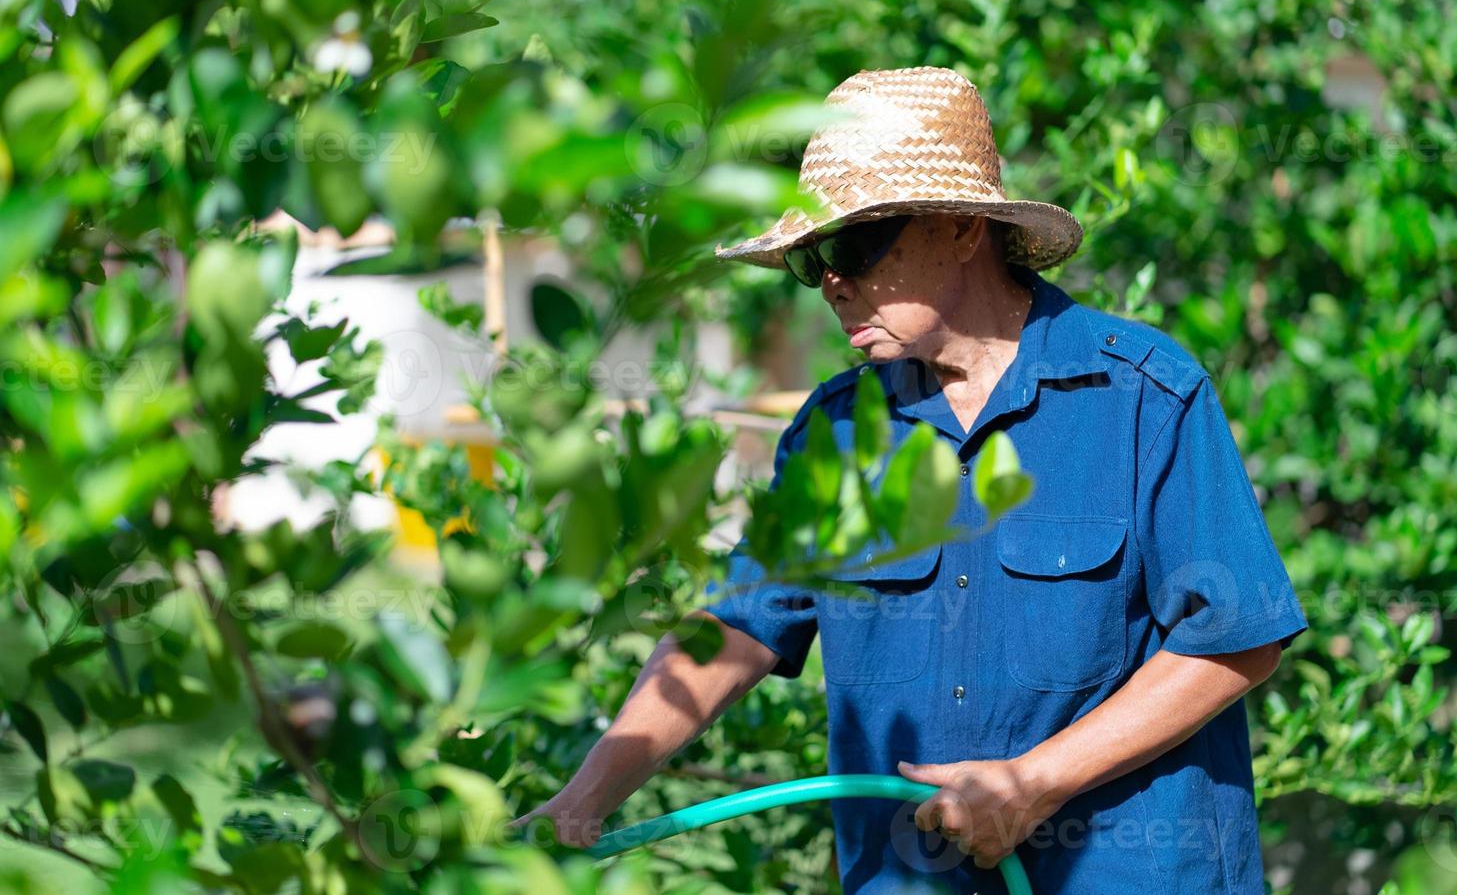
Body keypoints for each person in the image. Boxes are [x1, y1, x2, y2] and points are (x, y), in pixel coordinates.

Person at [510, 66, 1309, 893]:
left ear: (961, 228)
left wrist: (1035, 784)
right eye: (815, 255)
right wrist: (579, 803)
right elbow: (733, 632)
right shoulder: (834, 436)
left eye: (856, 244)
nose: (832, 280)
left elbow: (1235, 640)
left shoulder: (1142, 396)